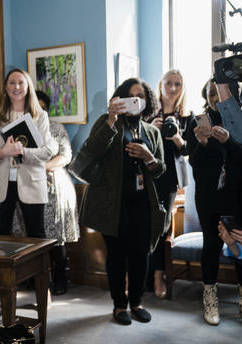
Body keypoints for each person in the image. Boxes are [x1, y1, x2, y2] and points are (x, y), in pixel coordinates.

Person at [79, 78, 166, 325]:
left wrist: (150, 158)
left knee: (141, 255)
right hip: (112, 204)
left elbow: (161, 170)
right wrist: (110, 120)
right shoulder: (109, 123)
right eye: (130, 95)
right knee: (116, 256)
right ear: (121, 99)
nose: (136, 100)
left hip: (142, 204)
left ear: (148, 101)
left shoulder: (151, 131)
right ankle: (119, 306)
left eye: (141, 95)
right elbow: (91, 151)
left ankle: (137, 302)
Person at [187, 79, 242, 326]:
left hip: (237, 195)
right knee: (211, 245)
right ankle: (210, 300)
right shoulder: (197, 122)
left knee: (239, 243)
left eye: (219, 93)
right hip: (208, 197)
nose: (215, 98)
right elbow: (194, 165)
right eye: (210, 94)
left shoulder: (238, 120)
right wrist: (202, 144)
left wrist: (228, 140)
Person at [0, 69, 58, 238]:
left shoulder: (40, 116)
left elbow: (47, 151)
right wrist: (3, 152)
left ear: (28, 87)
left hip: (32, 182)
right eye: (12, 83)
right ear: (5, 87)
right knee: (0, 233)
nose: (16, 87)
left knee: (37, 234)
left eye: (21, 83)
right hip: (3, 184)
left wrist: (22, 151)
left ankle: (39, 266)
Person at [148, 69, 193, 299]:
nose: (173, 88)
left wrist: (177, 137)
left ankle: (158, 275)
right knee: (143, 226)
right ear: (160, 84)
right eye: (169, 83)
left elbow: (188, 150)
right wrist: (152, 129)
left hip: (169, 180)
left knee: (162, 228)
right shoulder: (148, 114)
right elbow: (137, 144)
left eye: (177, 83)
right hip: (148, 177)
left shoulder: (186, 117)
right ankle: (140, 275)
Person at [36, 90, 79, 295]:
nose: (40, 110)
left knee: (56, 235)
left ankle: (61, 278)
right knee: (33, 237)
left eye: (44, 107)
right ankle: (33, 279)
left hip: (55, 186)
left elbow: (65, 155)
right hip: (29, 186)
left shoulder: (56, 127)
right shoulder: (22, 127)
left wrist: (41, 168)